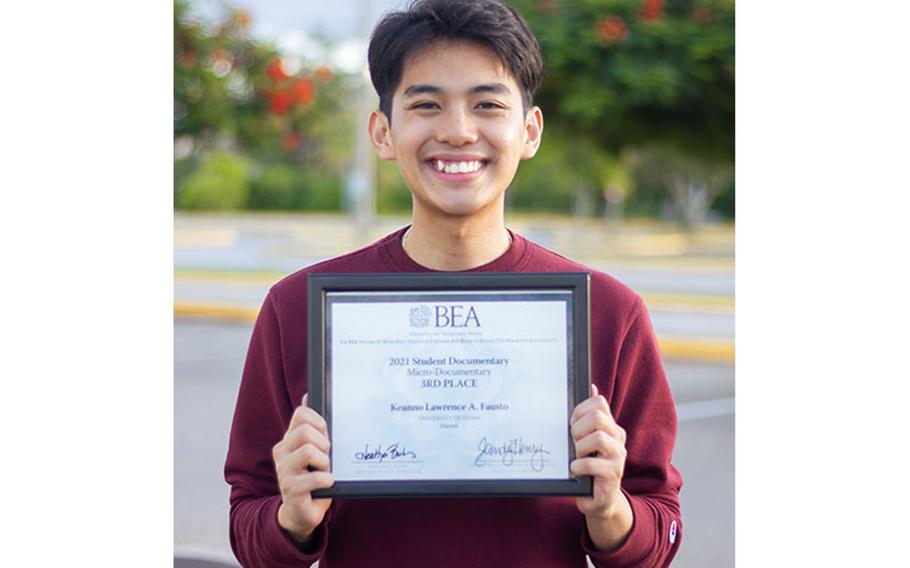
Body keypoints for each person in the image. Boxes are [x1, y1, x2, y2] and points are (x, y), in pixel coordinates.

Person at [224, 1, 682, 566]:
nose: (459, 131)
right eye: (426, 104)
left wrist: (612, 510)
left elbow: (660, 530)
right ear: (383, 131)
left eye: (488, 104)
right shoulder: (297, 309)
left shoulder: (610, 313)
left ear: (530, 130)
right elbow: (248, 522)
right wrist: (290, 518)